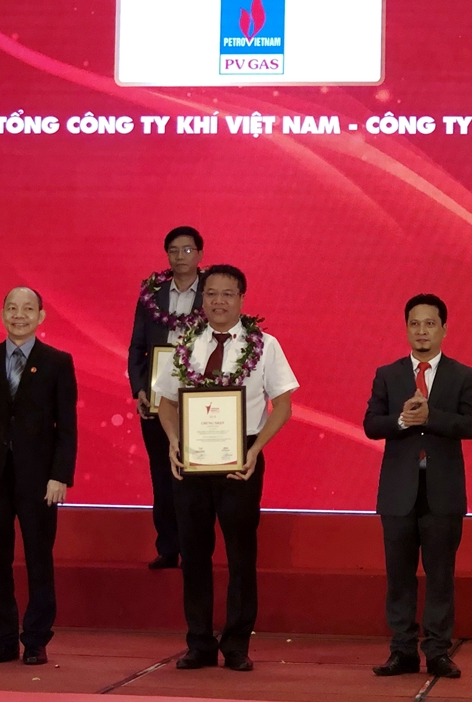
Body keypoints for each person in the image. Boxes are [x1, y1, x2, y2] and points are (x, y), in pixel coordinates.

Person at [154, 264, 299, 672]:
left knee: (240, 553)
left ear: (241, 299)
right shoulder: (184, 342)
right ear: (202, 299)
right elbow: (166, 403)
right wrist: (174, 441)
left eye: (228, 294)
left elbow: (283, 405)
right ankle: (199, 642)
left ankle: (236, 644)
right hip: (192, 458)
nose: (219, 301)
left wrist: (256, 451)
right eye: (212, 293)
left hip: (242, 459)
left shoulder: (264, 344)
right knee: (194, 553)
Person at [0, 286, 78, 667]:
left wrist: (60, 475)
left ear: (41, 316)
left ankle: (36, 640)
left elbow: (67, 427)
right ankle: (4, 640)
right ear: (2, 314)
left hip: (39, 481)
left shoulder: (57, 362)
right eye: (12, 308)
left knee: (39, 559)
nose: (19, 315)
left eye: (27, 309)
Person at [364, 294, 472, 679]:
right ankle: (402, 651)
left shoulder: (463, 375)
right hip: (398, 492)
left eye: (430, 323)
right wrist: (402, 421)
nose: (422, 331)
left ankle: (437, 652)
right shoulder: (388, 374)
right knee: (399, 576)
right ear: (406, 329)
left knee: (440, 575)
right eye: (414, 324)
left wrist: (431, 417)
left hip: (442, 492)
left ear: (444, 329)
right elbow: (371, 424)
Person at [128, 226, 205, 569]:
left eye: (187, 250)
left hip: (200, 398)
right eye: (173, 250)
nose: (180, 256)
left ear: (199, 254)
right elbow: (137, 346)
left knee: (197, 477)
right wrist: (140, 389)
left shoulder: (213, 290)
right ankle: (168, 546)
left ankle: (195, 548)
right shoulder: (152, 294)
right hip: (158, 398)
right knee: (162, 474)